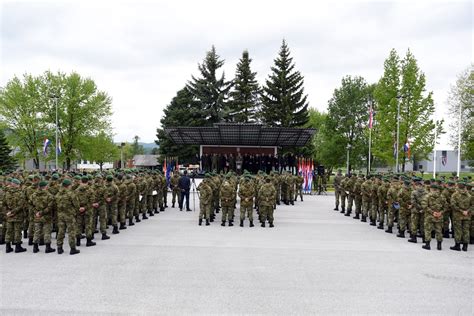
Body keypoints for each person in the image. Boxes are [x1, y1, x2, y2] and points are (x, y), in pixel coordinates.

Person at [56, 179, 80, 255]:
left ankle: (59, 248)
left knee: (61, 231)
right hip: (69, 215)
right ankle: (72, 248)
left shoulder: (57, 194)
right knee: (71, 232)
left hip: (60, 215)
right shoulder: (71, 194)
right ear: (68, 185)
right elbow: (77, 205)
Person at [31, 180, 55, 253]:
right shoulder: (49, 195)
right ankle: (48, 248)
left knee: (37, 231)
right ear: (46, 187)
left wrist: (37, 212)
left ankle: (35, 247)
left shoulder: (33, 195)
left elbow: (30, 205)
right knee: (47, 231)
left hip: (37, 216)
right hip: (46, 216)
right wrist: (42, 212)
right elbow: (50, 207)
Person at [450, 182, 471, 251]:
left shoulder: (455, 195)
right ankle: (465, 246)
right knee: (466, 230)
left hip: (457, 215)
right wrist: (467, 211)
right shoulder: (469, 195)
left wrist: (461, 211)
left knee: (458, 230)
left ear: (458, 187)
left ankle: (457, 245)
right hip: (467, 215)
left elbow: (453, 205)